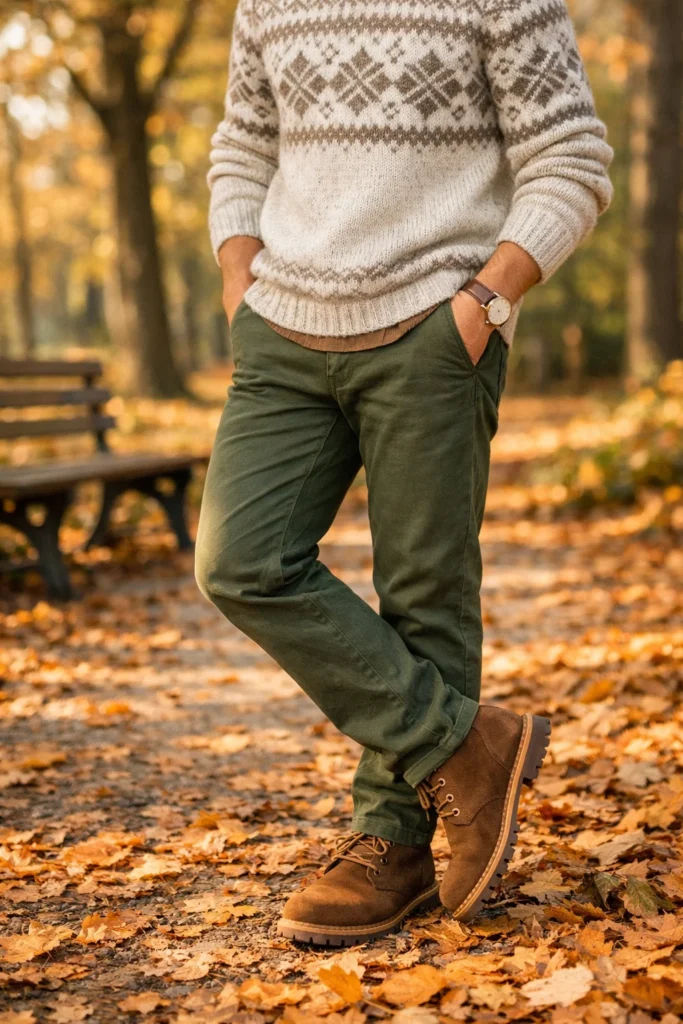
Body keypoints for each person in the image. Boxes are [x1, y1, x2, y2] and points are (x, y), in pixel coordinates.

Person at [196, 0, 613, 946]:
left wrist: (488, 296)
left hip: (436, 321)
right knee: (239, 560)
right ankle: (468, 747)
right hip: (283, 327)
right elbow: (241, 144)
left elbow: (571, 158)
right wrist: (239, 273)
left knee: (425, 592)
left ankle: (394, 845)